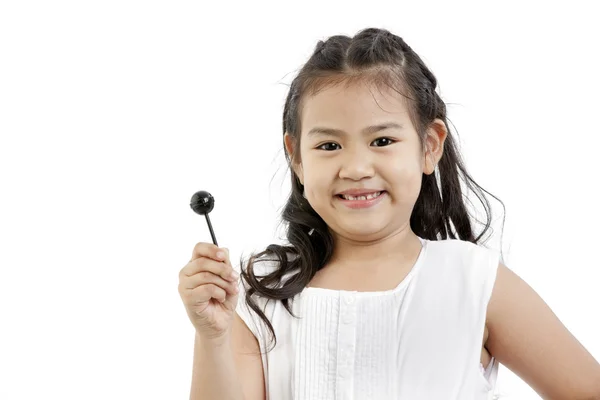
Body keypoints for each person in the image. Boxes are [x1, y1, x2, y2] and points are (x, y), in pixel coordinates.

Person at [178, 27, 600, 400]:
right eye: (329, 146)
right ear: (297, 158)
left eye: (381, 141)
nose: (357, 168)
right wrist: (212, 337)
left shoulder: (473, 281)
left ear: (430, 145)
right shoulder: (262, 290)